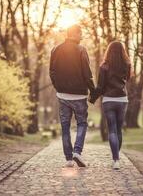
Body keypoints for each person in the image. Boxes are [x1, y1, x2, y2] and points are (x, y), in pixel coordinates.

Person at [49, 25, 95, 167]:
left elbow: (52, 72)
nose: (81, 37)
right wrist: (93, 90)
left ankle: (69, 159)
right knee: (82, 123)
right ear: (74, 34)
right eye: (80, 34)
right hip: (79, 95)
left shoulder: (56, 50)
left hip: (62, 95)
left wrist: (58, 87)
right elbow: (87, 74)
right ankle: (77, 152)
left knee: (65, 126)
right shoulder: (81, 50)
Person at [90, 41, 131, 170]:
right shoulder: (127, 65)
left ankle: (116, 160)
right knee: (118, 130)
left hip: (108, 100)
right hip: (122, 99)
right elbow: (127, 79)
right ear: (122, 51)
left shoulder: (104, 67)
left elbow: (101, 87)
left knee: (112, 130)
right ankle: (116, 158)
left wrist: (93, 97)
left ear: (109, 51)